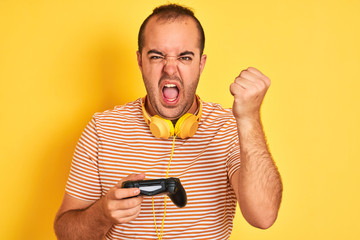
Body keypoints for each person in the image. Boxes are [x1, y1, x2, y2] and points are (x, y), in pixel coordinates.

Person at [54, 3, 283, 240]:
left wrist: (249, 118)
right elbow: (66, 233)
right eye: (156, 56)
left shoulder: (228, 127)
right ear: (140, 61)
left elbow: (263, 217)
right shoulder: (101, 129)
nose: (170, 69)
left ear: (201, 64)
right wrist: (102, 214)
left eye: (184, 57)